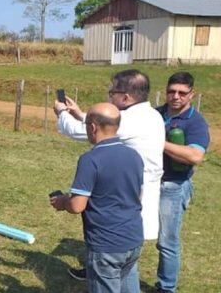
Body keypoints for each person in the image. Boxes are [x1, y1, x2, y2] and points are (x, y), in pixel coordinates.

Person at [55, 69, 164, 281]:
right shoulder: (150, 114)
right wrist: (80, 113)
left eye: (112, 93)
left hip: (120, 191)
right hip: (131, 186)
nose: (109, 96)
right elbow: (108, 122)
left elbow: (83, 131)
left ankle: (105, 290)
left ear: (126, 97)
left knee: (113, 247)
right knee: (125, 252)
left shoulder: (130, 120)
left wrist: (62, 114)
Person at [50, 103, 145, 293]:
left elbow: (77, 205)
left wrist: (62, 201)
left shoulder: (90, 159)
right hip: (132, 241)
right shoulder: (134, 155)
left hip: (106, 247)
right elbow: (137, 195)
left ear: (92, 127)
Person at [144, 72, 210, 293]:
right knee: (128, 229)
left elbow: (195, 155)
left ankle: (166, 289)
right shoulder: (155, 114)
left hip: (173, 186)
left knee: (166, 240)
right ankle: (111, 274)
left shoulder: (195, 122)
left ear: (192, 94)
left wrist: (157, 142)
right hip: (146, 182)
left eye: (182, 93)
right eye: (172, 91)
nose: (176, 96)